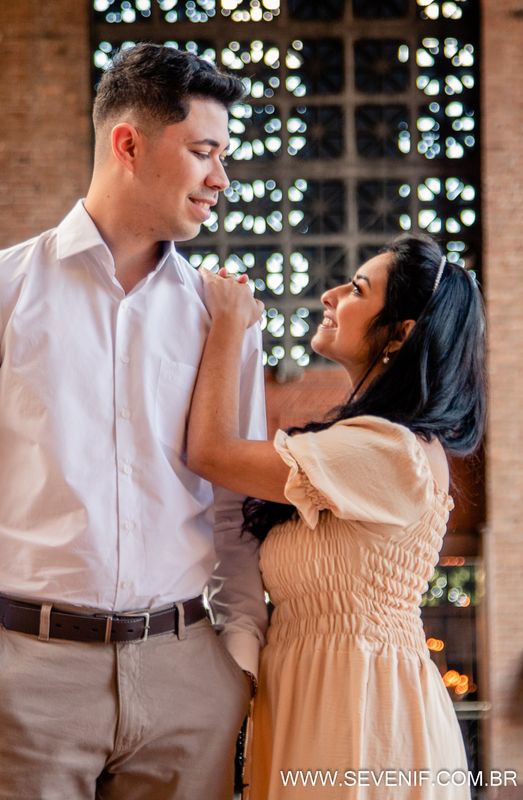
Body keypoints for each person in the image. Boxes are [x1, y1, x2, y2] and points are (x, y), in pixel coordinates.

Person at [0, 44, 267, 799]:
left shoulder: (225, 318)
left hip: (186, 673)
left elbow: (235, 507)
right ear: (128, 144)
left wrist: (236, 663)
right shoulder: (9, 293)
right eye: (204, 152)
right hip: (27, 676)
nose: (221, 178)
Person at [187, 235, 486, 798]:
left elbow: (210, 454)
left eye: (356, 289)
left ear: (400, 333)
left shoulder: (388, 451)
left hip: (363, 715)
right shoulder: (362, 443)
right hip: (314, 692)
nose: (329, 294)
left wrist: (227, 325)